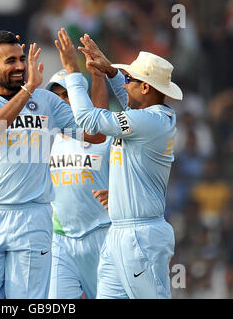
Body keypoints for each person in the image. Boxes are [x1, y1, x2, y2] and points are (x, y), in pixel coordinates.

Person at [0, 30, 105, 299]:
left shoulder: (47, 101)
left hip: (34, 217)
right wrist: (28, 89)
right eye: (10, 61)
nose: (21, 66)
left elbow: (95, 133)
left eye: (21, 59)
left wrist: (78, 72)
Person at [54, 28, 183, 299]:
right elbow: (128, 101)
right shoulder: (148, 117)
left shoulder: (148, 121)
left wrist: (72, 71)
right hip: (121, 233)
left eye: (129, 80)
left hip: (141, 237)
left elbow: (88, 120)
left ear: (145, 87)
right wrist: (111, 72)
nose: (124, 85)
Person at [46, 69, 112, 299]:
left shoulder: (106, 138)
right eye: (57, 96)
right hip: (60, 238)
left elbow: (131, 179)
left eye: (68, 94)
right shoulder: (45, 140)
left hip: (103, 234)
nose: (62, 101)